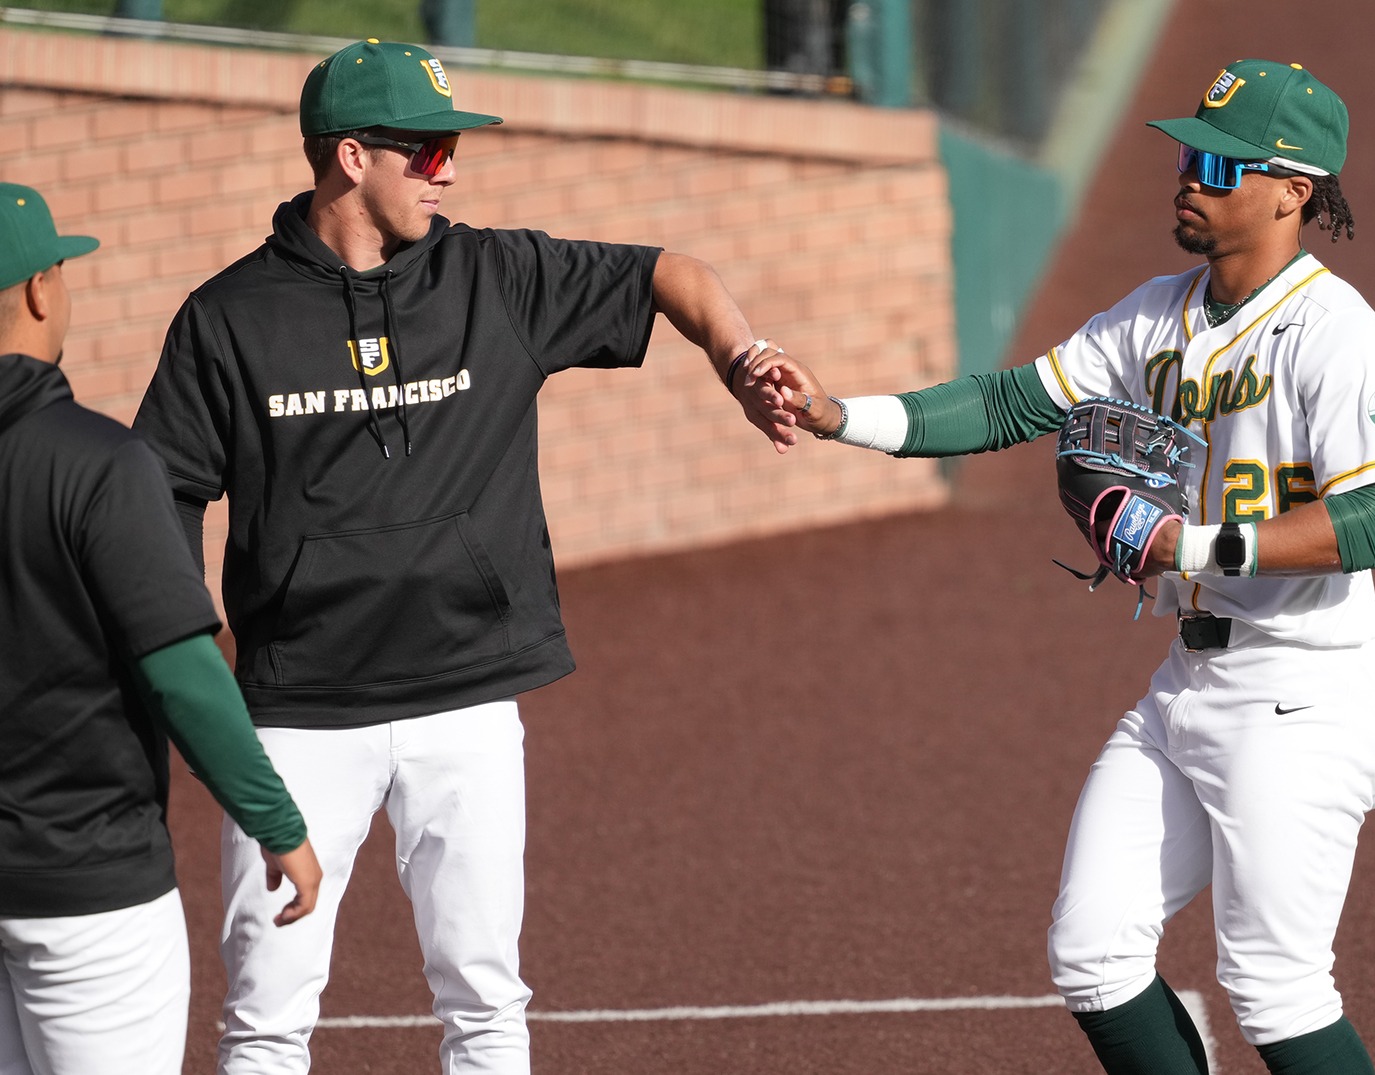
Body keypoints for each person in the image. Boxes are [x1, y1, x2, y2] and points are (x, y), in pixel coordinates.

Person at [131, 39, 797, 1075]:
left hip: (469, 700)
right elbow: (161, 496)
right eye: (429, 153)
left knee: (486, 1000)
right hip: (300, 718)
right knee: (267, 1017)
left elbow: (672, 274)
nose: (451, 172)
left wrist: (742, 357)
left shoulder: (500, 276)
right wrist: (200, 662)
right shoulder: (226, 320)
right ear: (352, 157)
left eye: (453, 152)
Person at [750, 59, 1375, 1075]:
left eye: (1219, 164)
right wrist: (840, 415)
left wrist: (1191, 547)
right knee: (1094, 953)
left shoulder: (1338, 337)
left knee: (1277, 990)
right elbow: (1011, 403)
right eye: (1190, 152)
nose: (1188, 175)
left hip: (1304, 695)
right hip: (1191, 681)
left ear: (1293, 191)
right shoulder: (1156, 314)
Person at [0, 182, 321, 1075]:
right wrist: (278, 823)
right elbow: (183, 671)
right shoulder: (99, 465)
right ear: (37, 290)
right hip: (88, 896)